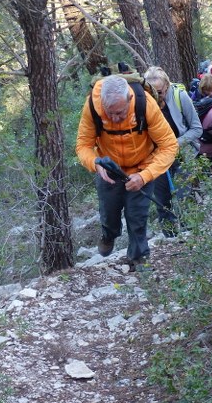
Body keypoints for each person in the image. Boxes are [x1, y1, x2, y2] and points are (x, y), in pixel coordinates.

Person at [76, 74, 178, 269]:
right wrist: (94, 163)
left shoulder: (145, 104)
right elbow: (83, 146)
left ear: (130, 99)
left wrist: (145, 176)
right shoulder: (92, 106)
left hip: (141, 167)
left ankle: (139, 260)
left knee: (137, 217)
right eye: (109, 113)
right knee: (109, 213)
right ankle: (109, 235)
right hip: (109, 170)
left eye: (120, 113)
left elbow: (169, 146)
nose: (114, 119)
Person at [143, 66, 202, 237]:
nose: (155, 95)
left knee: (185, 196)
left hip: (182, 153)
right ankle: (170, 238)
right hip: (157, 157)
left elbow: (197, 129)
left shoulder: (179, 97)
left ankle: (192, 235)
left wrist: (175, 144)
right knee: (162, 200)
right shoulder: (143, 102)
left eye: (159, 92)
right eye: (150, 91)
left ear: (167, 87)